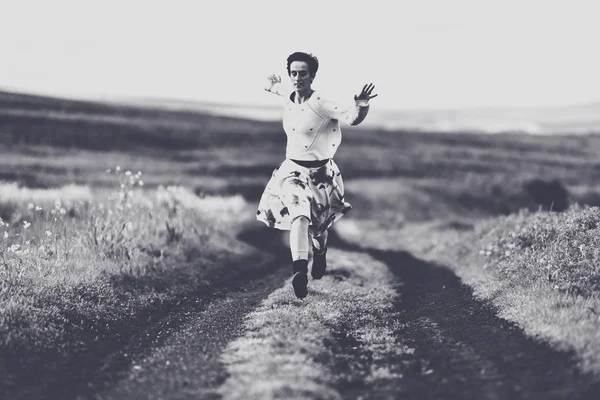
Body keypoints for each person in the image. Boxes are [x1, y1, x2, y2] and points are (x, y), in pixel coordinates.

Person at [256, 51, 377, 298]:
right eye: (294, 73)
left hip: (321, 175)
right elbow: (275, 88)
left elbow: (352, 118)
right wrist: (268, 84)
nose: (297, 78)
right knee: (299, 215)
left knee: (318, 228)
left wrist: (361, 104)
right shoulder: (288, 95)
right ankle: (300, 271)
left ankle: (320, 252)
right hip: (293, 171)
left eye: (303, 73)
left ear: (312, 76)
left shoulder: (322, 103)